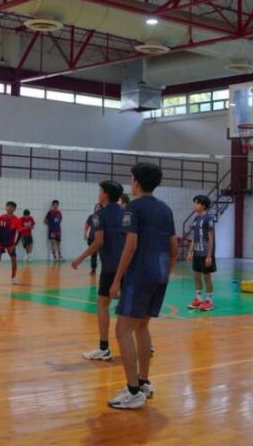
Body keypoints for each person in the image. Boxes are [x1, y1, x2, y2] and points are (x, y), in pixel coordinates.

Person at [107, 162, 175, 410]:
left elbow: (131, 245)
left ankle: (133, 390)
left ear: (135, 181)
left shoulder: (132, 209)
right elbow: (174, 249)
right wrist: (164, 274)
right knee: (142, 327)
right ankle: (144, 383)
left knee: (123, 329)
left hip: (139, 276)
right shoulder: (165, 209)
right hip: (159, 275)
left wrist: (117, 280)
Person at [70, 181, 125, 361]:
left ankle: (104, 348)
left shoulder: (98, 215)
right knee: (130, 306)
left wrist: (80, 258)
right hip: (128, 266)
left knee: (103, 305)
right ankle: (145, 343)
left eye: (100, 191)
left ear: (105, 195)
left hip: (110, 268)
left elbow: (99, 241)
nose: (98, 193)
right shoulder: (127, 213)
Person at [187, 195, 216, 312]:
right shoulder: (195, 219)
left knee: (207, 277)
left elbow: (211, 238)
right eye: (194, 203)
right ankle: (199, 298)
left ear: (203, 206)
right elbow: (194, 237)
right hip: (197, 253)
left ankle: (209, 301)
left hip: (205, 253)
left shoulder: (208, 219)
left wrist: (209, 255)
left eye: (197, 203)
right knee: (196, 276)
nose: (194, 205)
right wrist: (190, 252)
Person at [0, 201, 23, 285]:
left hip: (10, 244)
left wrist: (15, 244)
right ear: (6, 207)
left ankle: (13, 277)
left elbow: (20, 233)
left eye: (12, 207)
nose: (10, 208)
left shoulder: (17, 220)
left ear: (14, 209)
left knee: (14, 260)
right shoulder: (1, 217)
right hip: (1, 242)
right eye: (8, 206)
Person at [83, 203, 102, 275]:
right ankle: (93, 269)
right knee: (93, 254)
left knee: (103, 254)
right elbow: (87, 225)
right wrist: (85, 233)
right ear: (95, 209)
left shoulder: (103, 217)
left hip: (101, 239)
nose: (98, 208)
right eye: (97, 207)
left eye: (99, 207)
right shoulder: (91, 216)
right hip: (92, 238)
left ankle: (104, 269)